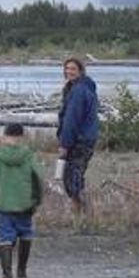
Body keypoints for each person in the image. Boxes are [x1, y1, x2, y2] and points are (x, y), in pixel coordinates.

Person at [0, 123, 43, 278]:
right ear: (21, 137)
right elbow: (38, 179)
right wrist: (36, 200)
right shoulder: (29, 155)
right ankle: (21, 274)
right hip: (26, 204)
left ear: (5, 136)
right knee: (26, 234)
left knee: (5, 236)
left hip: (3, 203)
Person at [57, 57, 99, 215]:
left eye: (73, 69)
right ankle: (81, 211)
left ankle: (82, 210)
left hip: (79, 140)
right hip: (87, 138)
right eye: (67, 69)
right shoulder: (83, 88)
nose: (69, 72)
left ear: (80, 71)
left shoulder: (79, 91)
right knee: (76, 175)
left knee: (71, 177)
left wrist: (64, 144)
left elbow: (71, 120)